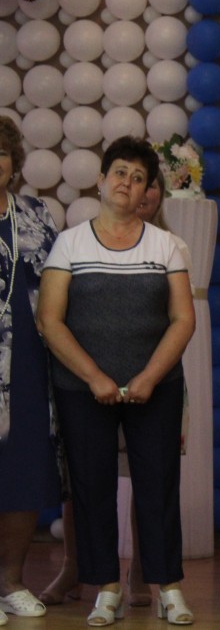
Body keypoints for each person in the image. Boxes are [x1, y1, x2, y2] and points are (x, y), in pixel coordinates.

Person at [37, 136, 196, 627]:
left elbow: (183, 320)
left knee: (158, 486)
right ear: (102, 180)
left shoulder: (166, 245)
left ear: (148, 191)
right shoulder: (70, 243)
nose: (128, 183)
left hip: (156, 388)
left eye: (139, 177)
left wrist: (148, 377)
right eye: (121, 173)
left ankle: (168, 588)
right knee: (91, 487)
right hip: (82, 389)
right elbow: (49, 320)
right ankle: (106, 590)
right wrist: (95, 378)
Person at [0, 116, 59, 625]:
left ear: (14, 162)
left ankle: (11, 581)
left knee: (24, 468)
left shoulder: (37, 214)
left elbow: (59, 283)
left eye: (1, 153)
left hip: (28, 363)